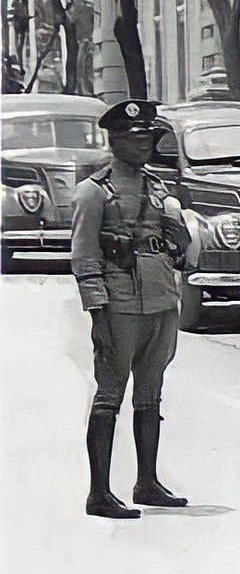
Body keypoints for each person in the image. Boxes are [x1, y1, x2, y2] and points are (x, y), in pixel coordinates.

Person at [70, 99, 191, 519]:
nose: (145, 146)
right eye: (136, 138)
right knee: (109, 395)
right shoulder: (93, 192)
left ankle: (147, 483)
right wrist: (97, 315)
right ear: (116, 140)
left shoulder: (157, 188)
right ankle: (99, 493)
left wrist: (179, 233)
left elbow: (177, 245)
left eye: (149, 139)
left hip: (160, 298)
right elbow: (84, 257)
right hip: (119, 303)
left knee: (150, 393)